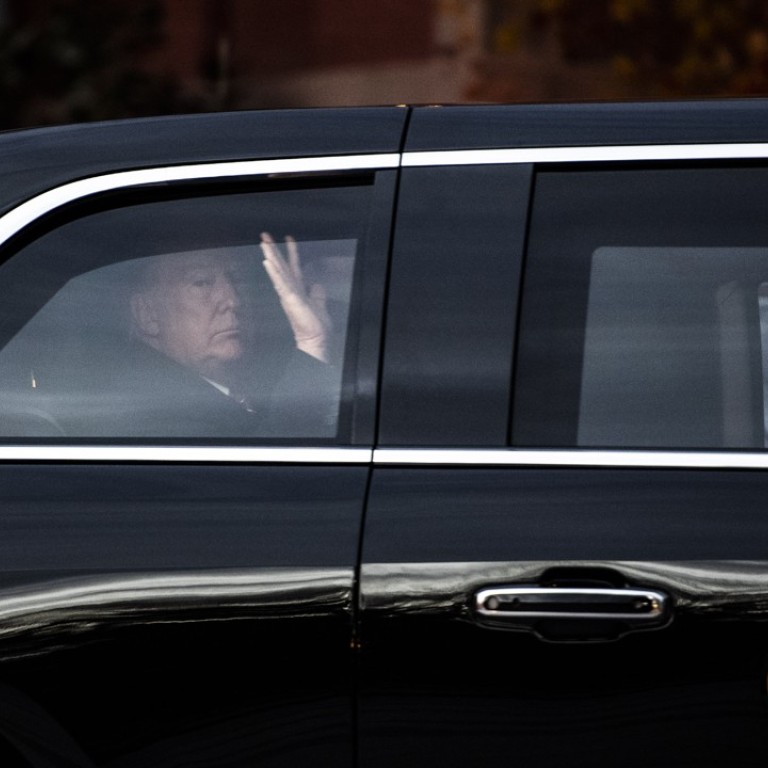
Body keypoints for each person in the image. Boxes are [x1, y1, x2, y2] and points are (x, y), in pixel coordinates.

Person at [102, 232, 338, 438]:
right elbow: (261, 481)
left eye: (236, 280)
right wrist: (311, 344)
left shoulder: (248, 387)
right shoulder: (147, 413)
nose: (232, 300)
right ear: (148, 313)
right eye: (202, 282)